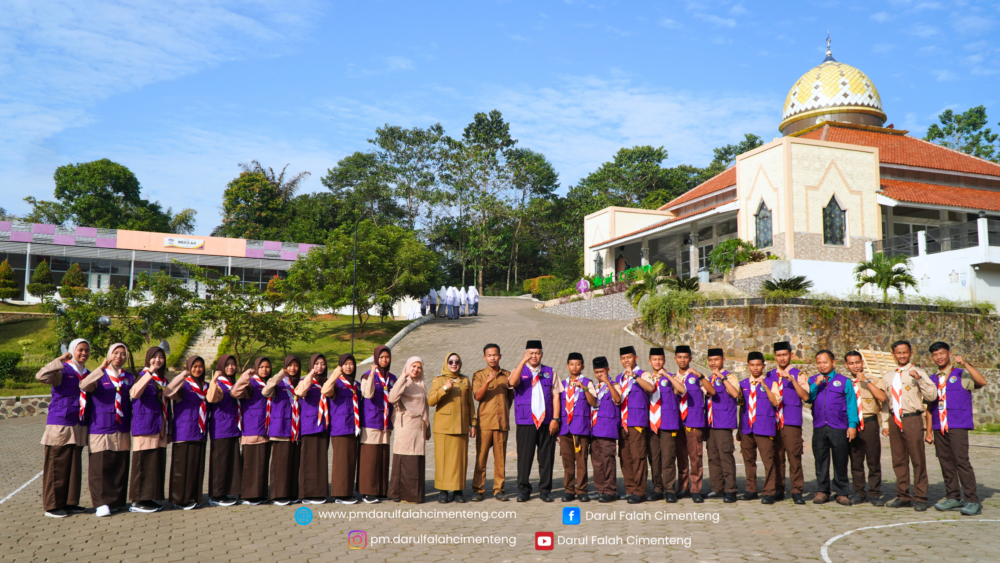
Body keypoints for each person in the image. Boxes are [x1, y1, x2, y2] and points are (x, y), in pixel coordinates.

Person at [927, 342, 987, 516]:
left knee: (961, 461)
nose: (938, 357)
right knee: (945, 461)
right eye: (935, 354)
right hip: (939, 426)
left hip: (957, 425)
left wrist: (966, 364)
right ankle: (953, 496)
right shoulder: (932, 379)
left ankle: (972, 500)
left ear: (949, 354)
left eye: (942, 353)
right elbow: (929, 408)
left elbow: (982, 381)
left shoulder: (961, 374)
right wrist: (929, 431)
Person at [36, 339, 91, 518]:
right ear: (72, 351)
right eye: (80, 350)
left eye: (86, 351)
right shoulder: (62, 369)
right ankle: (52, 506)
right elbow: (41, 376)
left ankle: (69, 502)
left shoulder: (87, 373)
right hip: (61, 423)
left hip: (78, 424)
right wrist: (59, 359)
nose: (83, 353)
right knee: (56, 465)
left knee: (73, 466)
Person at [80, 343, 133, 517]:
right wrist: (100, 368)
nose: (119, 356)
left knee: (119, 464)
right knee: (100, 466)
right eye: (116, 353)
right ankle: (101, 503)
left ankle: (116, 500)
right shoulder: (99, 376)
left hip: (121, 426)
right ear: (109, 355)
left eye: (123, 354)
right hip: (101, 426)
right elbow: (83, 385)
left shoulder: (129, 377)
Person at [884, 340, 937, 511]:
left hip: (912, 418)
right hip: (894, 419)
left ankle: (920, 496)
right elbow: (886, 402)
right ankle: (903, 495)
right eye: (898, 353)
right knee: (898, 459)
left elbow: (931, 395)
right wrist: (885, 422)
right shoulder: (888, 376)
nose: (902, 355)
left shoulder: (919, 372)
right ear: (893, 354)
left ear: (910, 353)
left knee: (917, 458)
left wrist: (919, 379)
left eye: (905, 352)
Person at [508, 340, 558, 502]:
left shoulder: (550, 372)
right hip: (526, 420)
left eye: (537, 353)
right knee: (524, 457)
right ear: (526, 353)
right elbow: (512, 383)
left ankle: (545, 490)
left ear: (541, 354)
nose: (534, 356)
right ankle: (523, 490)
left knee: (546, 457)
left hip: (546, 421)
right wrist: (522, 362)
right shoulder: (519, 371)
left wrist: (555, 419)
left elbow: (556, 395)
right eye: (531, 353)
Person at [808, 350, 859, 506]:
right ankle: (822, 490)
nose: (822, 365)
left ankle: (842, 492)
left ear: (833, 362)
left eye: (825, 362)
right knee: (821, 460)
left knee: (840, 460)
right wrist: (815, 385)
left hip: (839, 427)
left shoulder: (844, 381)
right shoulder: (812, 380)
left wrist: (852, 425)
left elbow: (851, 404)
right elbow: (808, 398)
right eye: (819, 362)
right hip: (819, 426)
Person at [128, 346, 170, 513]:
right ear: (148, 359)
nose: (158, 360)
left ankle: (149, 498)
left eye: (161, 357)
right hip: (145, 426)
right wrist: (150, 372)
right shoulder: (143, 376)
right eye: (154, 357)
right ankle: (138, 501)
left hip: (158, 426)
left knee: (154, 464)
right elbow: (134, 393)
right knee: (143, 463)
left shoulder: (162, 380)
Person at [429, 352, 475, 503]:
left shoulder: (465, 380)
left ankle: (458, 490)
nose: (454, 364)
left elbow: (470, 404)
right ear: (446, 363)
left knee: (459, 460)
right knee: (443, 460)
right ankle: (443, 491)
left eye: (457, 361)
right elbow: (431, 401)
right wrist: (444, 388)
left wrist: (473, 423)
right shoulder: (439, 379)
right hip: (443, 428)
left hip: (461, 426)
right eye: (451, 362)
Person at [844, 350, 888, 506]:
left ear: (862, 362)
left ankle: (875, 493)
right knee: (855, 459)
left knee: (873, 459)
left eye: (857, 362)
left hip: (869, 422)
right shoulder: (845, 382)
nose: (855, 366)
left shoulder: (874, 379)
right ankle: (859, 492)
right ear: (846, 365)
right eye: (851, 363)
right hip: (852, 424)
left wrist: (866, 380)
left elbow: (882, 398)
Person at [768, 341, 809, 504]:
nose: (782, 358)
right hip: (773, 422)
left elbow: (805, 396)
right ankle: (779, 488)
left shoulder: (799, 374)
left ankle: (797, 490)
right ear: (774, 356)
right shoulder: (770, 375)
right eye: (778, 355)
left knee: (794, 456)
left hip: (791, 421)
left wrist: (792, 380)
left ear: (791, 355)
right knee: (776, 456)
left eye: (784, 354)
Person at [165, 355, 209, 510]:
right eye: (194, 366)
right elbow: (168, 392)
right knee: (181, 468)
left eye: (200, 366)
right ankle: (179, 499)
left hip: (200, 431)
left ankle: (194, 497)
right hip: (184, 431)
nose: (197, 369)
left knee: (196, 467)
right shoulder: (183, 385)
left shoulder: (206, 386)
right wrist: (184, 374)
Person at [671, 345, 712, 503]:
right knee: (681, 457)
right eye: (679, 357)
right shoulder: (673, 378)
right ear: (675, 359)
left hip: (694, 421)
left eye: (685, 357)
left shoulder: (696, 376)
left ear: (690, 359)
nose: (682, 360)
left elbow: (711, 391)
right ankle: (683, 487)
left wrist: (700, 375)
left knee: (695, 457)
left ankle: (696, 489)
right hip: (678, 423)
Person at [472, 343, 512, 502]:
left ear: (500, 356)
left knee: (500, 458)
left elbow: (510, 398)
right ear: (484, 357)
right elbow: (477, 396)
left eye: (495, 355)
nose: (492, 358)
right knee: (481, 458)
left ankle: (498, 489)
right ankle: (478, 489)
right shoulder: (480, 375)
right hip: (485, 423)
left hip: (501, 423)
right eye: (489, 355)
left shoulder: (507, 375)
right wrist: (488, 381)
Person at [388, 356, 431, 504]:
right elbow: (392, 398)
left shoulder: (420, 384)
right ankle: (400, 494)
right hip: (406, 426)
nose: (416, 370)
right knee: (405, 459)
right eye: (413, 366)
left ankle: (414, 496)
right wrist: (402, 377)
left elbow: (425, 407)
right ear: (407, 366)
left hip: (418, 428)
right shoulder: (404, 382)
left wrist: (428, 426)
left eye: (419, 367)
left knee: (416, 461)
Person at [739, 351, 780, 504]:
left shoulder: (771, 383)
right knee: (749, 460)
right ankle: (751, 489)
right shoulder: (743, 384)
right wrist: (739, 429)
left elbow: (775, 402)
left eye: (758, 365)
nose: (755, 368)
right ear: (748, 366)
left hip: (764, 427)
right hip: (746, 427)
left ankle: (769, 492)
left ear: (764, 366)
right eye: (752, 365)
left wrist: (765, 386)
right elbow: (741, 408)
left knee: (768, 460)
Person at [616, 345, 655, 504]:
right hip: (623, 422)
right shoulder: (620, 377)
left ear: (636, 358)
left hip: (637, 421)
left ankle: (640, 491)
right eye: (623, 358)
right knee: (625, 457)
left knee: (638, 456)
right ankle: (630, 489)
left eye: (629, 357)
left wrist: (635, 377)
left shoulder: (643, 374)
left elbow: (650, 388)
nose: (626, 361)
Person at [358, 345, 397, 503]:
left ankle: (381, 490)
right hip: (371, 422)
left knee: (382, 457)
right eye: (381, 357)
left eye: (387, 357)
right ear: (375, 359)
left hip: (386, 423)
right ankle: (368, 492)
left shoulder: (392, 378)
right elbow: (367, 394)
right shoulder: (367, 376)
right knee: (370, 458)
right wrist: (373, 373)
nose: (384, 360)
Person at [232, 356, 272, 505]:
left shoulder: (271, 383)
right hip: (252, 427)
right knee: (250, 463)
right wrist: (245, 376)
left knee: (262, 463)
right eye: (261, 367)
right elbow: (235, 393)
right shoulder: (251, 383)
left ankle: (260, 493)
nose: (264, 370)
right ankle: (248, 494)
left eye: (267, 367)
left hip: (267, 428)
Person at [555, 352, 594, 502]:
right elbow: (557, 406)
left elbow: (593, 402)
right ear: (567, 366)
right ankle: (569, 490)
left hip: (581, 428)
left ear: (582, 366)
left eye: (578, 364)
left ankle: (582, 490)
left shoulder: (588, 382)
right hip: (565, 429)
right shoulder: (562, 384)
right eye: (572, 364)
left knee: (582, 461)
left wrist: (584, 388)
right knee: (567, 462)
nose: (575, 367)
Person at [263, 355, 301, 506]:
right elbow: (265, 391)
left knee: (293, 463)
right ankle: (278, 495)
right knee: (280, 464)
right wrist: (281, 374)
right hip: (281, 428)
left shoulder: (300, 382)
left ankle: (291, 493)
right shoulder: (279, 383)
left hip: (297, 429)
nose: (293, 368)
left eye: (295, 365)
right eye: (289, 365)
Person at [647, 347, 683, 503]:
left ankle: (669, 489)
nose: (657, 362)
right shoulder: (646, 378)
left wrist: (667, 375)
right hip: (650, 425)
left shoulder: (672, 377)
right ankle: (657, 488)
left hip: (667, 424)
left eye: (660, 359)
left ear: (664, 361)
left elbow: (681, 390)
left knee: (668, 457)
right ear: (650, 362)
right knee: (654, 459)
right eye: (654, 360)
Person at [704, 348, 740, 504]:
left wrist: (722, 377)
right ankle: (717, 487)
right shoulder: (708, 379)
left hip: (724, 423)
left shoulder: (730, 377)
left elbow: (735, 394)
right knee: (713, 457)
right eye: (711, 360)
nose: (713, 363)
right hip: (710, 423)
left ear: (723, 360)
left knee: (725, 456)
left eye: (716, 360)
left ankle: (731, 489)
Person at [324, 354, 361, 504]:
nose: (348, 367)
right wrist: (335, 373)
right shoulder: (337, 383)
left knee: (350, 460)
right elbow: (325, 391)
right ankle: (339, 494)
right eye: (345, 364)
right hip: (340, 427)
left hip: (353, 427)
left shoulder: (356, 384)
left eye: (351, 364)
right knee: (341, 461)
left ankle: (347, 492)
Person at [206, 354, 242, 507]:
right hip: (221, 427)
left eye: (233, 364)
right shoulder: (219, 382)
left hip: (233, 426)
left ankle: (226, 492)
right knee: (220, 462)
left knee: (230, 461)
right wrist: (214, 380)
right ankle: (216, 494)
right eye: (227, 364)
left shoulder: (234, 382)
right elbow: (212, 399)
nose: (230, 367)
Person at [295, 354, 330, 504]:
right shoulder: (305, 381)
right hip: (309, 425)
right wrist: (310, 374)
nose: (320, 367)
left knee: (321, 460)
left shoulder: (327, 382)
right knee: (308, 461)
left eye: (322, 364)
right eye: (316, 364)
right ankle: (307, 493)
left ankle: (320, 492)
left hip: (324, 426)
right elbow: (301, 392)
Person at [589, 356, 622, 503]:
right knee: (597, 461)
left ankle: (610, 490)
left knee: (608, 461)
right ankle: (600, 489)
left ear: (608, 370)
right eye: (596, 372)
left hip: (607, 429)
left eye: (602, 372)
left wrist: (608, 382)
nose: (599, 375)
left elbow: (618, 400)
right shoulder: (595, 387)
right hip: (594, 429)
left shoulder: (614, 385)